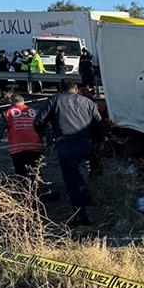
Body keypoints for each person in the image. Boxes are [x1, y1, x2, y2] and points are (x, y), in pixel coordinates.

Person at [34, 78, 104, 226]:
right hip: (86, 143)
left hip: (65, 142)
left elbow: (38, 121)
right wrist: (98, 141)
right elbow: (98, 123)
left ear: (60, 88)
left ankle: (81, 216)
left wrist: (45, 136)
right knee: (76, 171)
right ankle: (85, 195)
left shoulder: (54, 100)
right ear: (76, 88)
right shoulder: (87, 102)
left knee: (70, 178)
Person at [0, 94, 45, 179]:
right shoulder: (35, 112)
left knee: (21, 174)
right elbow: (47, 128)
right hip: (36, 146)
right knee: (34, 174)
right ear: (23, 102)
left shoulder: (8, 113)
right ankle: (34, 191)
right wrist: (50, 143)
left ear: (11, 103)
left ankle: (24, 191)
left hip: (18, 148)